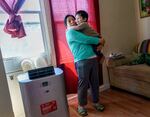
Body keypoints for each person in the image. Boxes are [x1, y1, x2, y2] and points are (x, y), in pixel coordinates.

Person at [64, 14, 104, 116]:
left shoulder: (79, 30)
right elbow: (86, 39)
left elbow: (91, 36)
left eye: (73, 19)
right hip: (81, 61)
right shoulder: (70, 32)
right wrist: (100, 40)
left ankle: (96, 102)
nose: (73, 21)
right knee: (83, 84)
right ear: (66, 25)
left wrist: (101, 43)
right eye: (69, 21)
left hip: (93, 58)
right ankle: (81, 106)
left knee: (95, 82)